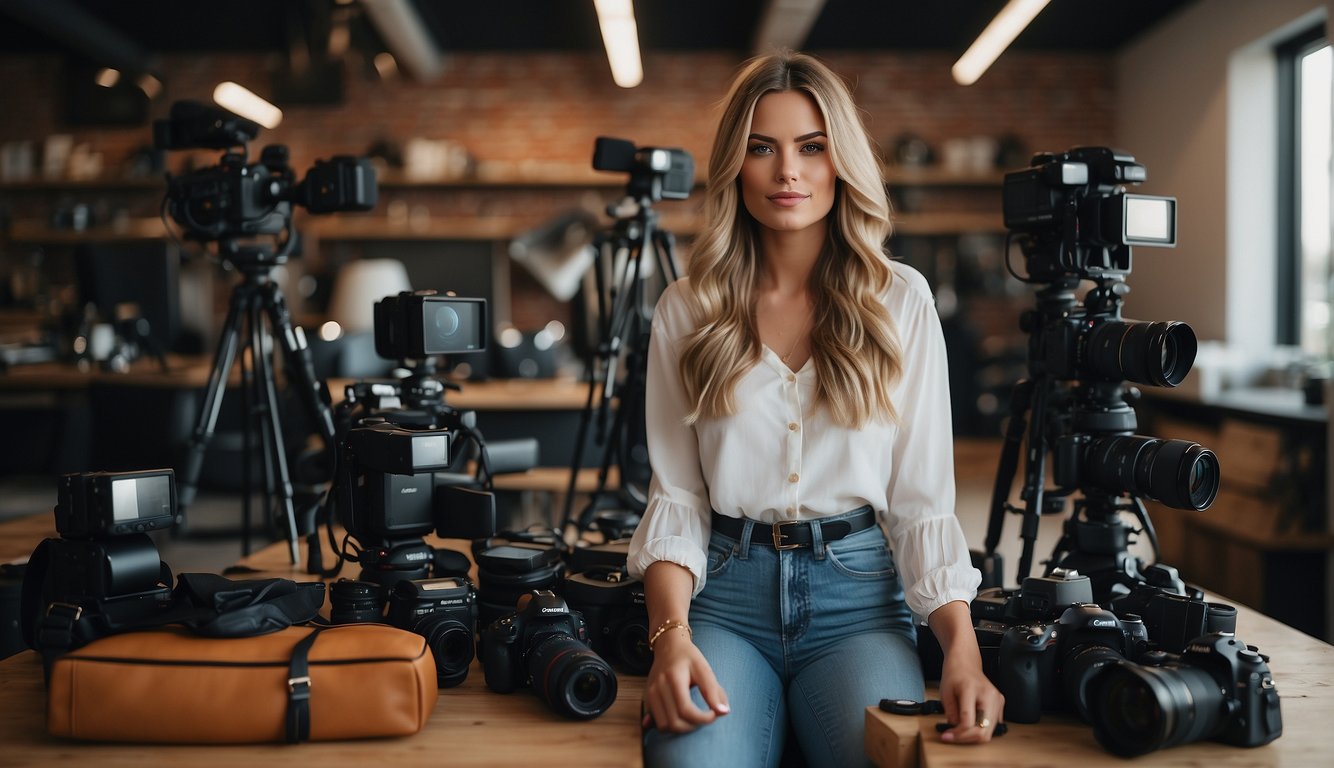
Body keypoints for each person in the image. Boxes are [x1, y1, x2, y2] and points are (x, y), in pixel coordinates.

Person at [625, 51, 1004, 767]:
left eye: (811, 147)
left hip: (859, 605)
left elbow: (922, 502)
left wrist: (963, 650)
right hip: (725, 603)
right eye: (761, 148)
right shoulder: (688, 309)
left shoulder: (901, 301)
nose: (786, 172)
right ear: (736, 164)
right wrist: (670, 637)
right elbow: (676, 498)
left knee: (896, 760)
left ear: (842, 161)